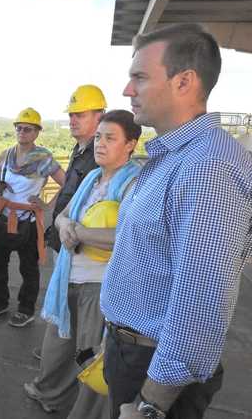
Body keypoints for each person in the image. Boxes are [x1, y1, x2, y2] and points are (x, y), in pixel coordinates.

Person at [100, 23, 252, 419]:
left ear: (183, 82)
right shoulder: (176, 156)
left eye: (139, 77)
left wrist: (150, 406)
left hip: (154, 374)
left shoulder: (206, 167)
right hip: (134, 351)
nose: (127, 90)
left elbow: (202, 303)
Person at [24, 110, 142, 418]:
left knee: (91, 358)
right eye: (99, 137)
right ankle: (50, 395)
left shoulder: (133, 185)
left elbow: (128, 235)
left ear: (130, 144)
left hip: (100, 286)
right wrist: (65, 227)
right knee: (58, 346)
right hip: (69, 277)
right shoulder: (92, 177)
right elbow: (64, 214)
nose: (101, 144)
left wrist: (80, 232)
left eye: (111, 138)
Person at [32, 84, 107, 360]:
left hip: (77, 244)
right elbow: (67, 191)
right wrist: (50, 210)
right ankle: (53, 353)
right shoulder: (80, 149)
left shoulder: (98, 156)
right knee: (59, 295)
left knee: (68, 303)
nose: (73, 120)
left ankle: (57, 358)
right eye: (71, 115)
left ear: (99, 116)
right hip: (61, 236)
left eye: (81, 114)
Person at [0, 107, 65, 327]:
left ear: (37, 133)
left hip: (27, 223)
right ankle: (0, 303)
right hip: (3, 217)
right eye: (19, 128)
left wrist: (48, 205)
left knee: (28, 269)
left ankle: (25, 308)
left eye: (28, 129)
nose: (22, 133)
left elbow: (66, 183)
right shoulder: (6, 154)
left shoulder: (43, 158)